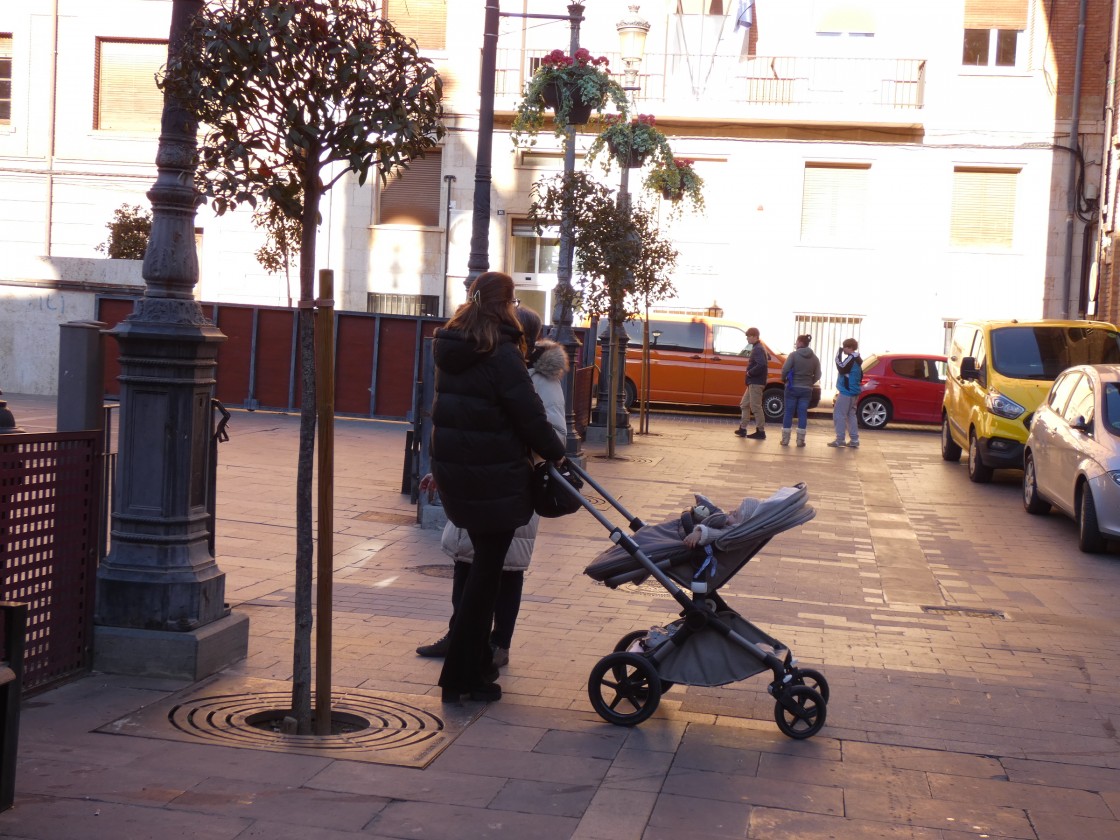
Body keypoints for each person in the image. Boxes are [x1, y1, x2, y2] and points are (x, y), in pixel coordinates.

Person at [425, 273, 566, 704]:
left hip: (459, 476)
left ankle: (475, 667)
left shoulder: (452, 346)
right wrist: (555, 451)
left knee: (481, 574)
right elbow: (528, 415)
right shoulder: (501, 352)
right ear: (506, 304)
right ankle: (461, 677)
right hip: (496, 480)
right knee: (486, 579)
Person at [780, 334, 821, 447]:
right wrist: (810, 382)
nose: (796, 343)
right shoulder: (814, 358)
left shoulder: (793, 355)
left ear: (800, 342)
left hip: (792, 387)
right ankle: (800, 441)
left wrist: (784, 379)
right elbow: (818, 374)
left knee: (788, 412)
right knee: (802, 413)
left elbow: (785, 369)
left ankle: (785, 440)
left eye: (797, 341)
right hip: (806, 389)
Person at [734, 327, 768, 440]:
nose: (747, 338)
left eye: (748, 336)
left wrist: (750, 372)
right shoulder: (758, 347)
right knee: (744, 404)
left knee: (756, 407)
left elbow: (761, 364)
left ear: (754, 336)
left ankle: (761, 431)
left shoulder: (758, 348)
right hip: (753, 383)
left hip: (756, 382)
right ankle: (743, 429)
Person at [830, 338, 863, 448]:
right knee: (851, 415)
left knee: (839, 414)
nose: (843, 349)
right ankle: (854, 440)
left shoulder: (851, 358)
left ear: (850, 348)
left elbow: (841, 367)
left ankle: (840, 439)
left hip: (846, 391)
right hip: (854, 391)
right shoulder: (857, 359)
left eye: (844, 347)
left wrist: (838, 354)